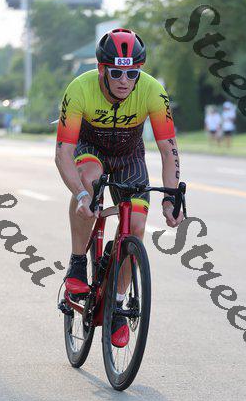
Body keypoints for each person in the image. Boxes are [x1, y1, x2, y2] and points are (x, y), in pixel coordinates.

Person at [55, 28, 184, 348]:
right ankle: (77, 262)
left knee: (136, 226)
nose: (125, 81)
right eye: (116, 73)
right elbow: (63, 154)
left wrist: (171, 199)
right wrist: (81, 195)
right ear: (102, 69)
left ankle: (116, 304)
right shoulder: (80, 88)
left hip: (130, 157)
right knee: (90, 179)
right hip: (91, 151)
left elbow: (169, 150)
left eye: (132, 73)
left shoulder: (153, 91)